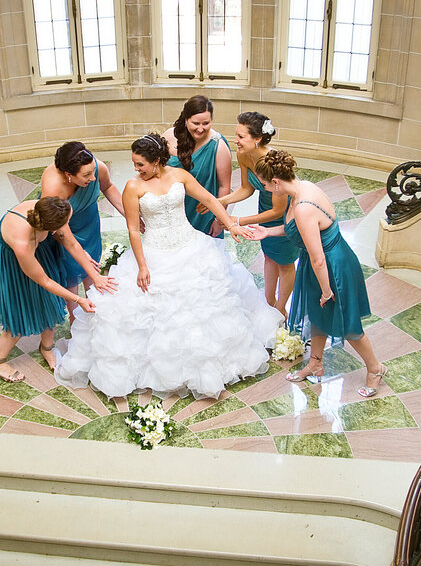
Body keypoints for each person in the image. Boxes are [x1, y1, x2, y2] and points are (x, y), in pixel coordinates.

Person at [55, 133, 282, 400]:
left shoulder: (179, 176)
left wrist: (231, 224)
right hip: (153, 252)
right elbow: (133, 229)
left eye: (140, 164)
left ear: (157, 160)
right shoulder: (132, 187)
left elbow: (209, 200)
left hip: (191, 246)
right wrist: (141, 266)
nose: (136, 169)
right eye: (134, 164)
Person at [249, 150, 387, 396]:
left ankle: (375, 368)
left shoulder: (303, 207)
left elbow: (318, 257)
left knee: (348, 324)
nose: (266, 189)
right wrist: (267, 232)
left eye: (266, 185)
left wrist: (326, 290)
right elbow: (298, 231)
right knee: (317, 316)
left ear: (277, 182)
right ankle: (315, 363)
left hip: (332, 268)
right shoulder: (303, 187)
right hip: (322, 266)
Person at [0, 196, 116, 382]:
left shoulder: (54, 210)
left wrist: (95, 276)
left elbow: (70, 243)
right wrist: (79, 300)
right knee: (21, 309)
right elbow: (44, 281)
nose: (69, 224)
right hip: (11, 256)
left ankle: (46, 347)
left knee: (51, 301)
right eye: (68, 222)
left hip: (39, 246)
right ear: (53, 228)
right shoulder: (22, 243)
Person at [205, 111, 298, 319]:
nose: (235, 141)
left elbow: (278, 210)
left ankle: (281, 308)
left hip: (285, 213)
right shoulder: (243, 155)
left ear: (257, 139)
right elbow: (247, 189)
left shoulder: (273, 163)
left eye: (241, 137)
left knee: (285, 262)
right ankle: (269, 302)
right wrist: (219, 203)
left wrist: (237, 221)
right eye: (236, 135)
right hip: (265, 206)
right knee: (269, 255)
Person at [40, 141, 125, 315]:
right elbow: (66, 239)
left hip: (89, 224)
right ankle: (76, 321)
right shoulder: (53, 187)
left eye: (92, 171)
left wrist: (130, 216)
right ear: (68, 174)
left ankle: (95, 313)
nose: (93, 178)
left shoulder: (94, 166)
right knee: (71, 273)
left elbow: (107, 186)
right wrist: (96, 276)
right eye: (86, 175)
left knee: (92, 268)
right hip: (65, 233)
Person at [162, 94, 232, 237]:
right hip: (171, 212)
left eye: (206, 123)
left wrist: (219, 220)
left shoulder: (218, 146)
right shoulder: (169, 136)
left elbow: (224, 186)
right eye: (195, 123)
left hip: (202, 214)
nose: (200, 129)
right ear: (186, 119)